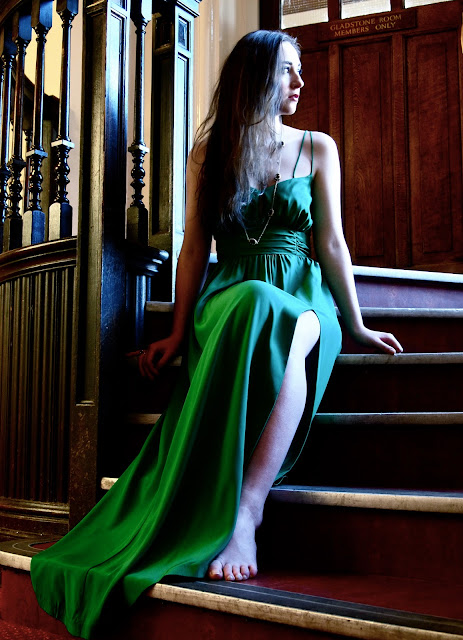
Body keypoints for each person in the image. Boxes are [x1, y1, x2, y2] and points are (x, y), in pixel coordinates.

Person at [31, 30, 402, 639]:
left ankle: (248, 509)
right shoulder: (209, 152)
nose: (300, 82)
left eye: (300, 70)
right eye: (287, 70)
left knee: (286, 317)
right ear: (255, 77)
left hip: (306, 294)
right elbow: (194, 247)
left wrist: (356, 323)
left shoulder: (319, 147)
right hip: (231, 291)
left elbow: (332, 243)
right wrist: (179, 332)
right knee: (255, 299)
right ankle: (223, 505)